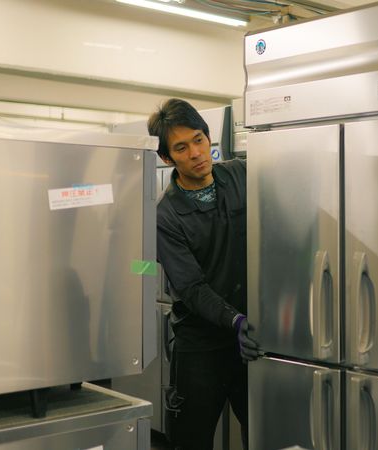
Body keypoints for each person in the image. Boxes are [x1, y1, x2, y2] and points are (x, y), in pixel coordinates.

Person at [149, 98, 259, 450]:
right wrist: (235, 320)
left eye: (199, 139)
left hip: (249, 342)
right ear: (167, 158)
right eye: (181, 147)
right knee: (191, 441)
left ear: (209, 137)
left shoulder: (240, 175)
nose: (196, 153)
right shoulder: (165, 215)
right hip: (200, 347)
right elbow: (191, 287)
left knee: (263, 434)